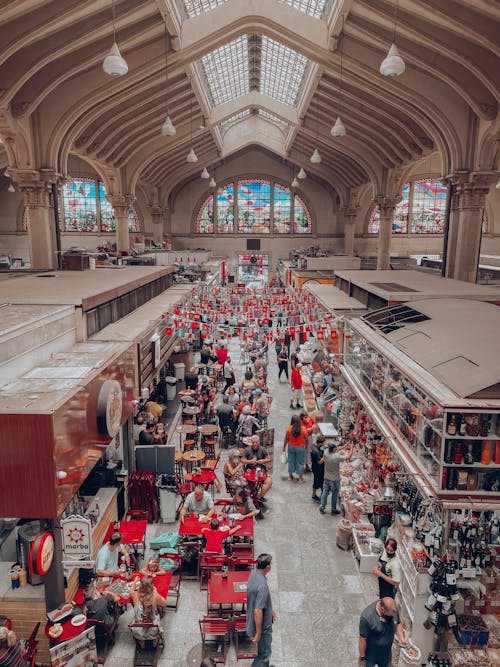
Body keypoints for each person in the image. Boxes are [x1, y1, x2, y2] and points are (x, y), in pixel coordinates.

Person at [359, 597, 407, 667]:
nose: (393, 615)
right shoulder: (367, 617)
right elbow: (362, 639)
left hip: (386, 654)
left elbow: (398, 623)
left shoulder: (393, 610)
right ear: (382, 610)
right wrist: (362, 657)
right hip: (370, 655)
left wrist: (401, 638)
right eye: (391, 614)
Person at [246, 554, 276, 667]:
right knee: (264, 655)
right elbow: (258, 611)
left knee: (263, 653)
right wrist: (258, 633)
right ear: (267, 567)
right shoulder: (262, 585)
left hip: (254, 620)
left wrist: (270, 609)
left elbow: (260, 597)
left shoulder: (254, 574)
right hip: (263, 628)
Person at [130, 577, 166, 649]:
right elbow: (164, 603)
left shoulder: (135, 594)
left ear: (140, 586)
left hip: (138, 629)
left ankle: (142, 641)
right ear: (152, 586)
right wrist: (155, 592)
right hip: (153, 629)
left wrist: (135, 581)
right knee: (157, 616)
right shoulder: (155, 596)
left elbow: (131, 590)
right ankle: (154, 640)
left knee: (136, 618)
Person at [319, 440, 352, 515]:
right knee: (334, 494)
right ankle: (333, 509)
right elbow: (348, 457)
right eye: (335, 448)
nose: (336, 448)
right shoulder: (336, 457)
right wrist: (352, 448)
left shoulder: (326, 452)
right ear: (333, 449)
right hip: (335, 479)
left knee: (325, 492)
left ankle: (322, 507)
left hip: (326, 476)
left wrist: (345, 446)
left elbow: (337, 449)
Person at [283, 414, 307, 483]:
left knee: (291, 461)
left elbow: (286, 439)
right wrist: (307, 447)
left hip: (291, 447)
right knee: (300, 462)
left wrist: (284, 447)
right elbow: (306, 439)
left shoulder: (289, 428)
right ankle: (300, 478)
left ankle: (290, 476)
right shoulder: (303, 429)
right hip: (300, 447)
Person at [310, 435, 325, 502]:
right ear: (320, 443)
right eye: (323, 443)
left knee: (320, 480)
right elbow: (319, 462)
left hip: (316, 467)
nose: (324, 444)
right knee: (317, 481)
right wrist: (326, 457)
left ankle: (323, 492)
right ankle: (314, 494)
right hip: (317, 468)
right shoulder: (316, 452)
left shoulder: (314, 446)